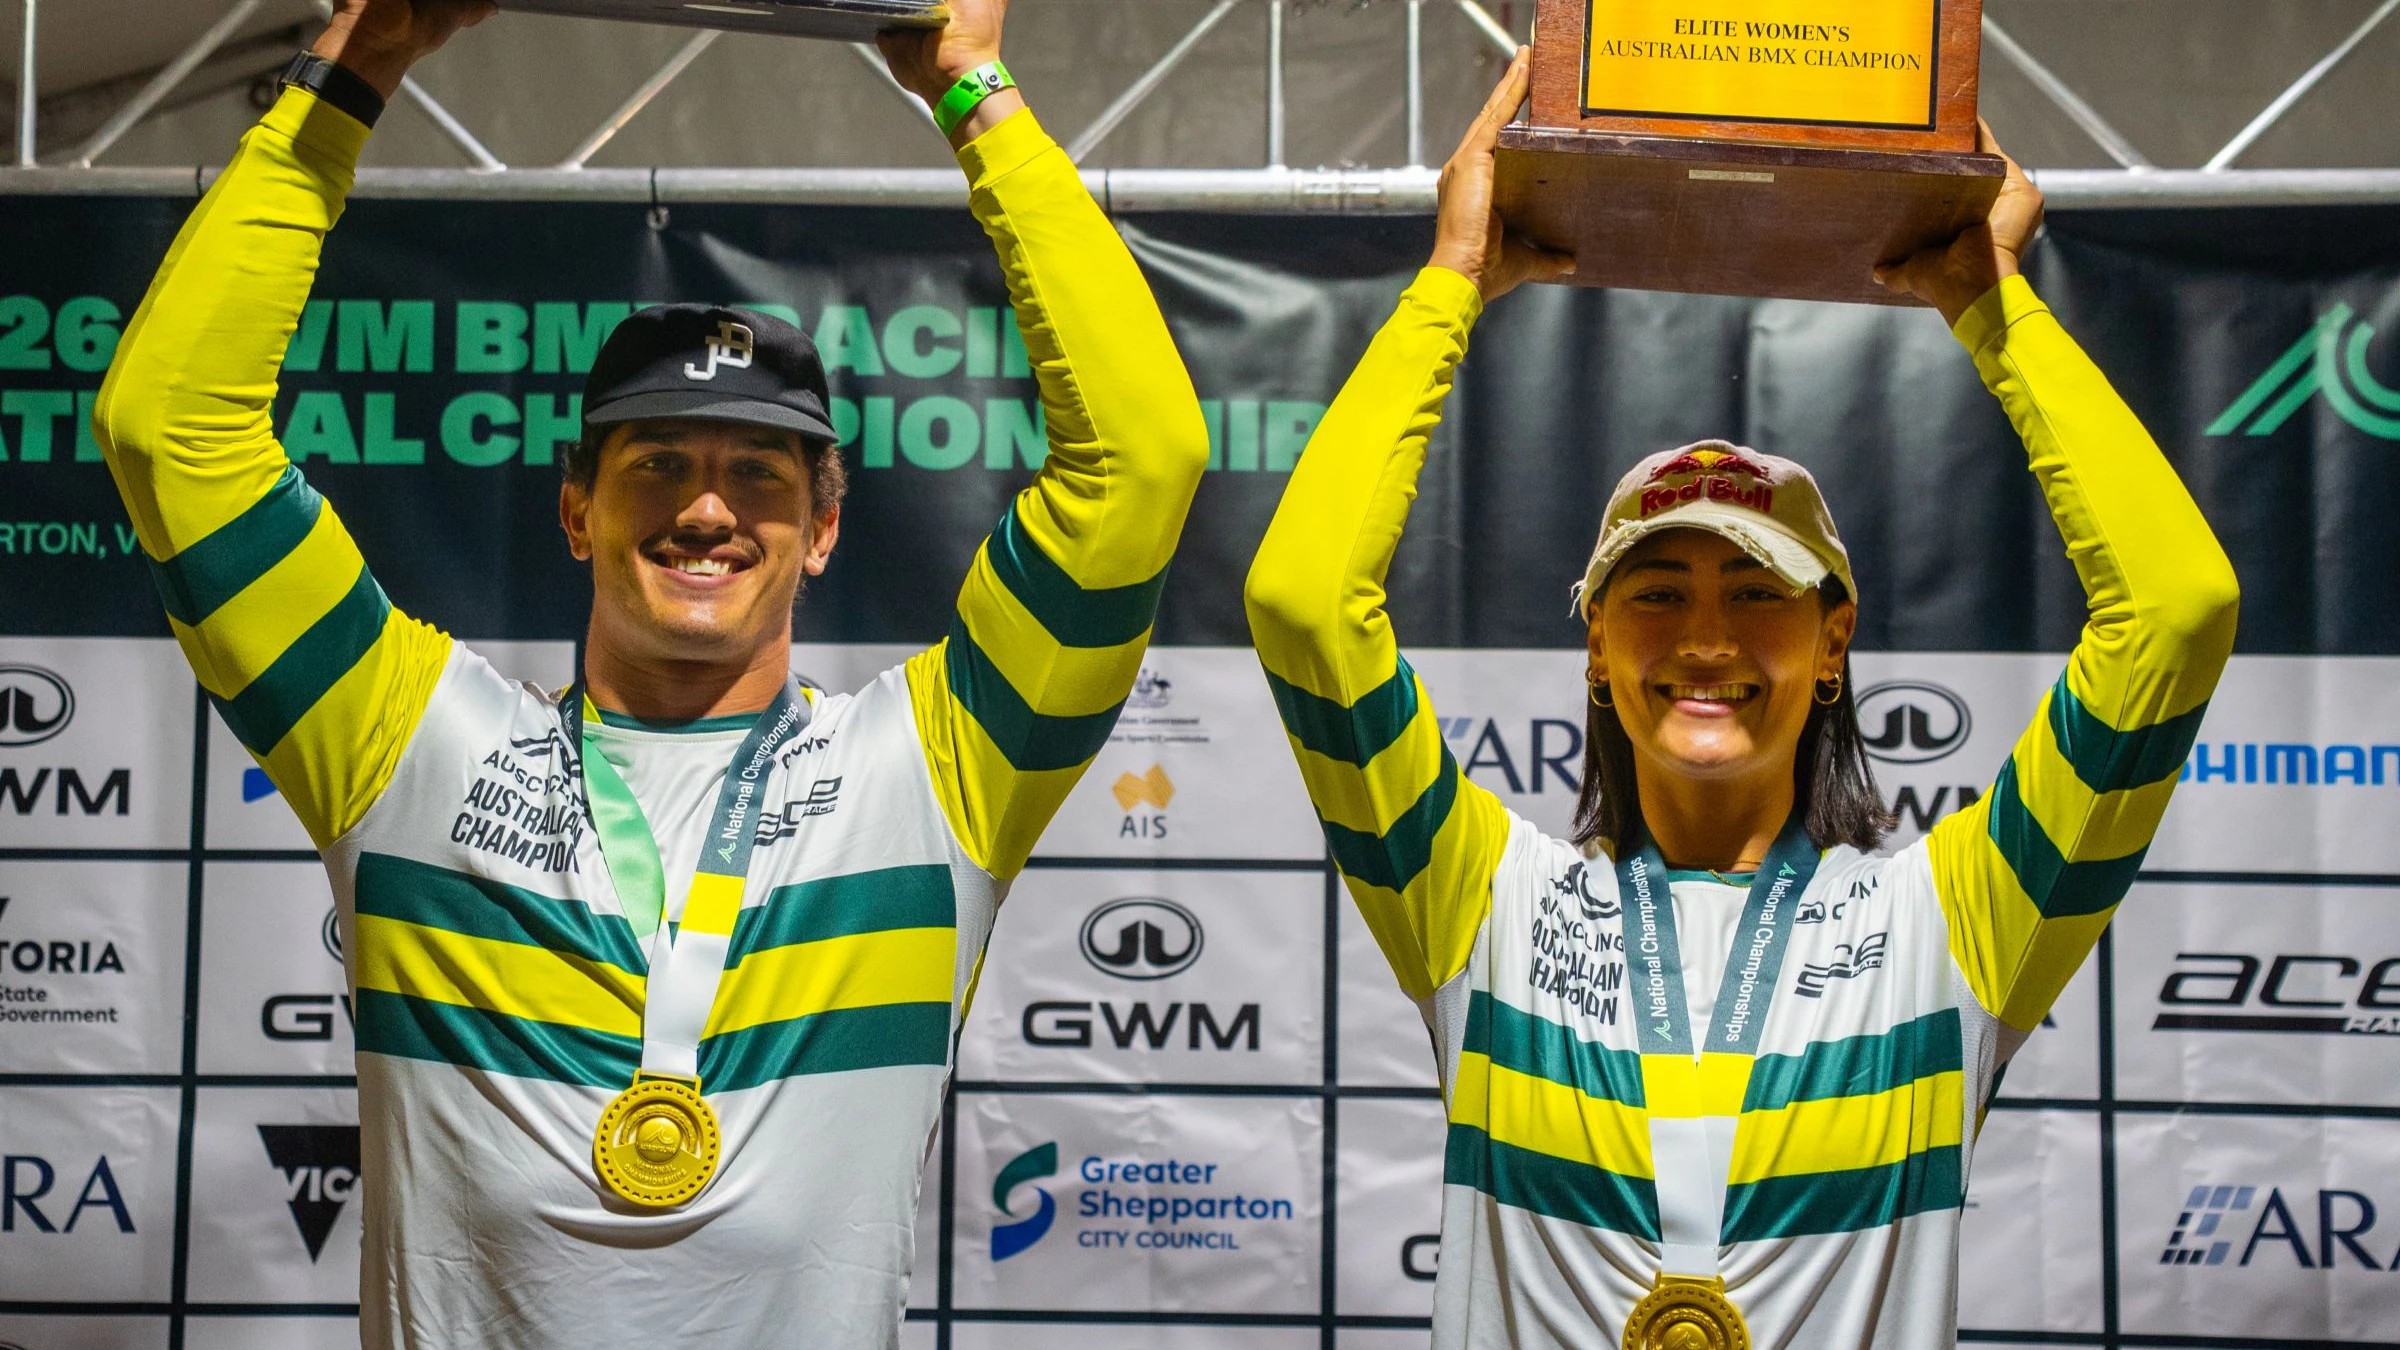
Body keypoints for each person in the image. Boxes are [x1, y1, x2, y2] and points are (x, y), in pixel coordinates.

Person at [91, 0, 1207, 1342]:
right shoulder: (402, 745)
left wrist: (973, 96)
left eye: (756, 473)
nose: (706, 510)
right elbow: (172, 433)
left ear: (824, 525)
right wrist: (358, 62)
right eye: (659, 465)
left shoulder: (933, 774)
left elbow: (1141, 465)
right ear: (578, 510)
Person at [1243, 49, 2239, 1350]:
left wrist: (1996, 309)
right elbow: (1306, 601)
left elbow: (2174, 612)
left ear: (1836, 641)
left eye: (1756, 591)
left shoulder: (1956, 924)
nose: (1706, 638)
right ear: (1594, 643)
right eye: (1655, 592)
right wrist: (1452, 282)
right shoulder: (1478, 902)